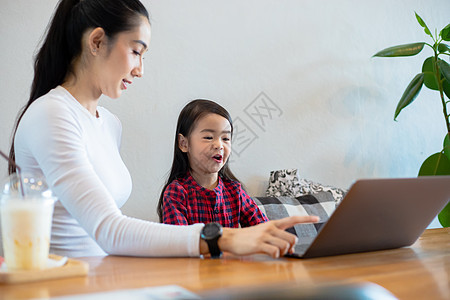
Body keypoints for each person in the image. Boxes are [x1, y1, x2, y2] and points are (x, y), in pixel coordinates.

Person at [7, 0, 319, 259]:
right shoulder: (52, 114)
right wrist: (220, 238)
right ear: (98, 41)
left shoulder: (109, 124)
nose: (140, 70)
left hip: (109, 276)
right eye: (135, 51)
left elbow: (116, 234)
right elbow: (109, 230)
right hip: (67, 285)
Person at [158, 99, 269, 227]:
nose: (219, 145)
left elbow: (264, 230)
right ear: (184, 143)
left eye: (226, 138)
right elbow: (179, 243)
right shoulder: (176, 193)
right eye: (208, 137)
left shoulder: (235, 191)